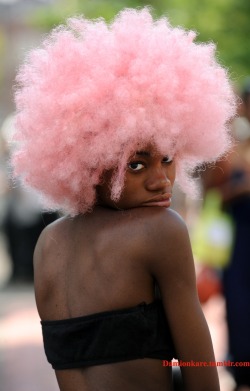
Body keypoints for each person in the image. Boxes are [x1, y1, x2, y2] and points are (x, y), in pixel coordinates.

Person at [10, 8, 236, 391]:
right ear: (90, 162)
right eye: (136, 165)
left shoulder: (48, 244)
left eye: (168, 159)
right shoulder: (160, 231)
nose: (161, 180)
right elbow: (200, 369)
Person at [202, 81, 250, 391]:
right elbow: (210, 191)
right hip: (240, 244)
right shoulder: (231, 148)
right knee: (239, 306)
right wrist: (239, 190)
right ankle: (242, 369)